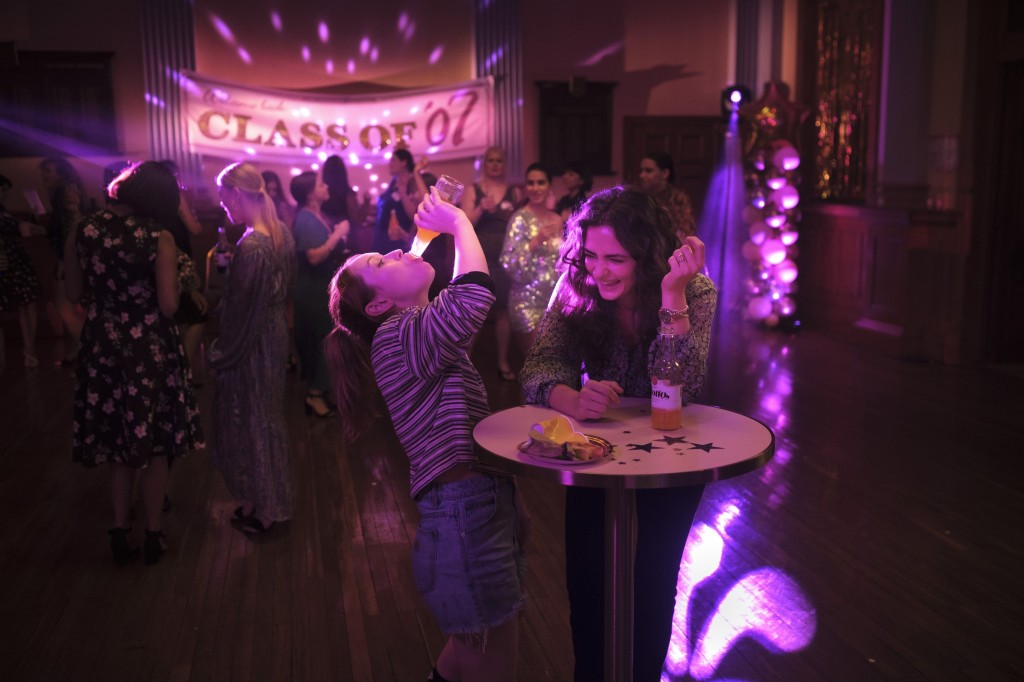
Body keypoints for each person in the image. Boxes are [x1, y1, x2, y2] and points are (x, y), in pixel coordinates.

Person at [324, 188, 528, 682]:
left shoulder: (412, 329)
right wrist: (458, 223)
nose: (396, 250)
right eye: (380, 261)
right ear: (377, 307)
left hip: (467, 505)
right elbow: (475, 293)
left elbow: (461, 294)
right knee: (492, 652)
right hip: (463, 511)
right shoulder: (398, 338)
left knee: (472, 647)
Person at [519, 186, 717, 681]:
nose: (598, 270)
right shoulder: (575, 283)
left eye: (615, 259)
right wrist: (570, 398)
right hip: (596, 450)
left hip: (672, 450)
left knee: (655, 573)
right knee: (587, 572)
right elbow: (539, 366)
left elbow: (682, 385)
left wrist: (672, 297)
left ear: (647, 257)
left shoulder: (694, 290)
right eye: (589, 255)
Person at [63, 161, 204, 566]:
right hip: (148, 346)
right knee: (155, 444)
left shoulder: (83, 229)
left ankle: (120, 529)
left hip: (103, 344)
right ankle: (153, 533)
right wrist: (176, 281)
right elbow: (167, 305)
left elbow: (74, 290)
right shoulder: (157, 237)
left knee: (118, 446)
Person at [210, 162, 296, 534]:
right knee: (267, 420)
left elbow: (241, 313)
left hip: (254, 341)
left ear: (237, 194)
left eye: (224, 198)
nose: (223, 206)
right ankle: (262, 501)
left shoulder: (253, 247)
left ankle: (270, 511)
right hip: (273, 333)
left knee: (255, 423)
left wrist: (221, 353)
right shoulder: (279, 233)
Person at [290, 169, 350, 418]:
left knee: (325, 342)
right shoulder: (305, 219)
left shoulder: (315, 215)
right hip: (313, 289)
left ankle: (320, 392)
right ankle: (315, 394)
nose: (325, 185)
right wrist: (337, 234)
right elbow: (314, 256)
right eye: (319, 183)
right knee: (327, 342)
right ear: (309, 193)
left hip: (321, 287)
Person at [461, 146, 522, 381]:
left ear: (504, 164)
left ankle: (503, 362)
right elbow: (464, 223)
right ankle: (464, 366)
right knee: (475, 312)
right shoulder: (473, 190)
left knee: (504, 313)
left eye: (499, 161)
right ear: (484, 164)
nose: (495, 164)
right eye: (490, 160)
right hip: (480, 258)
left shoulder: (514, 192)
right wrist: (481, 208)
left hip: (505, 260)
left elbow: (519, 223)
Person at [499, 162, 563, 356]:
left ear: (549, 185)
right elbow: (508, 262)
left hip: (555, 303)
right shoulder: (520, 219)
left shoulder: (556, 218)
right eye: (531, 183)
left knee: (556, 365)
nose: (535, 188)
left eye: (540, 182)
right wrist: (536, 241)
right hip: (527, 303)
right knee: (538, 364)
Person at [158, 160, 208, 385]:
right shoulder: (175, 195)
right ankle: (182, 371)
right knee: (198, 315)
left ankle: (184, 370)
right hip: (179, 260)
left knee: (176, 317)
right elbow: (195, 229)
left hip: (162, 259)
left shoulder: (151, 201)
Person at [40, 157, 87, 365]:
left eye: (48, 171)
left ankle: (88, 352)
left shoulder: (65, 193)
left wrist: (68, 262)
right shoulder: (66, 192)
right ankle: (81, 352)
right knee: (70, 308)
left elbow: (72, 227)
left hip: (68, 260)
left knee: (65, 309)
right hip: (70, 259)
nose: (44, 175)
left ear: (61, 173)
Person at [0, 174, 42, 368]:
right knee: (24, 305)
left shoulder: (4, 212)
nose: (3, 194)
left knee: (28, 304)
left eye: (4, 191)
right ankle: (27, 353)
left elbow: (21, 231)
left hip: (16, 261)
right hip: (8, 263)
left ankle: (29, 351)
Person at [372, 148, 427, 254]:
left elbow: (414, 213)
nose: (390, 164)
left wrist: (402, 190)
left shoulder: (413, 182)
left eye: (393, 160)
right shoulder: (394, 182)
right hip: (383, 238)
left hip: (401, 241)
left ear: (404, 162)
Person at [638, 151, 697, 239]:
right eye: (641, 170)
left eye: (648, 171)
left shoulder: (677, 199)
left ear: (665, 173)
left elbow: (685, 233)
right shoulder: (639, 198)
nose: (641, 175)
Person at [320, 154, 372, 230]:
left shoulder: (320, 193)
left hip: (324, 230)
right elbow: (358, 219)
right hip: (345, 233)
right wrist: (366, 202)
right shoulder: (348, 193)